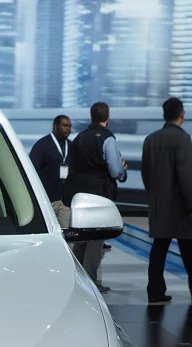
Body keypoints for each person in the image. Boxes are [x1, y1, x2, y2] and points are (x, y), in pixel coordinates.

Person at [140, 97, 192, 304]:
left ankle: (155, 291)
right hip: (181, 206)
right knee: (190, 248)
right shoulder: (182, 139)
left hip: (160, 204)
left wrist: (154, 195)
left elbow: (145, 173)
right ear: (182, 114)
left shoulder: (150, 139)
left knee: (159, 248)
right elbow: (185, 174)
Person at [64, 102, 127, 293]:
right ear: (107, 117)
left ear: (92, 116)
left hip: (78, 194)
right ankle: (90, 281)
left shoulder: (79, 138)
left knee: (81, 237)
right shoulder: (108, 139)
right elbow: (115, 171)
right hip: (99, 194)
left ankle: (75, 276)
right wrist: (122, 171)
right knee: (96, 239)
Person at [29, 115, 72, 228]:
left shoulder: (72, 146)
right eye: (65, 125)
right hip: (47, 200)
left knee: (68, 235)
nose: (68, 129)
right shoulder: (42, 145)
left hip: (65, 201)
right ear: (55, 127)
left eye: (69, 126)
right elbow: (32, 170)